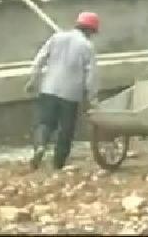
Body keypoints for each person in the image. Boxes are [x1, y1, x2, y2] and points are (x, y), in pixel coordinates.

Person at [24, 12, 100, 170]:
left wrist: (33, 79)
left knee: (45, 122)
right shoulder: (87, 46)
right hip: (70, 94)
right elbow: (91, 76)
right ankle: (58, 163)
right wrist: (92, 99)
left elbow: (40, 59)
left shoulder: (57, 37)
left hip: (49, 88)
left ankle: (40, 147)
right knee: (66, 129)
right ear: (90, 30)